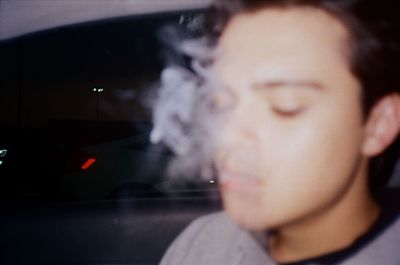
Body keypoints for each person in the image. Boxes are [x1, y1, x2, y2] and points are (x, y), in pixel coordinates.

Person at [159, 0, 400, 264]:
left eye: (284, 107)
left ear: (378, 124)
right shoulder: (198, 247)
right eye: (221, 105)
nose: (226, 138)